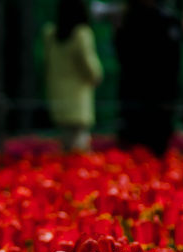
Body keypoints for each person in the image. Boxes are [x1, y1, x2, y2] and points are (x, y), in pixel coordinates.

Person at [115, 0, 182, 156]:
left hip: (159, 96)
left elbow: (173, 62)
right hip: (133, 95)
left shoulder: (167, 20)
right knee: (132, 147)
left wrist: (171, 96)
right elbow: (123, 56)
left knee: (156, 145)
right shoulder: (130, 18)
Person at [43, 0, 103, 152]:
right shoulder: (81, 34)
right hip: (78, 98)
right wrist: (96, 77)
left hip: (57, 97)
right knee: (79, 147)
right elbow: (90, 67)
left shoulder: (50, 34)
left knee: (65, 143)